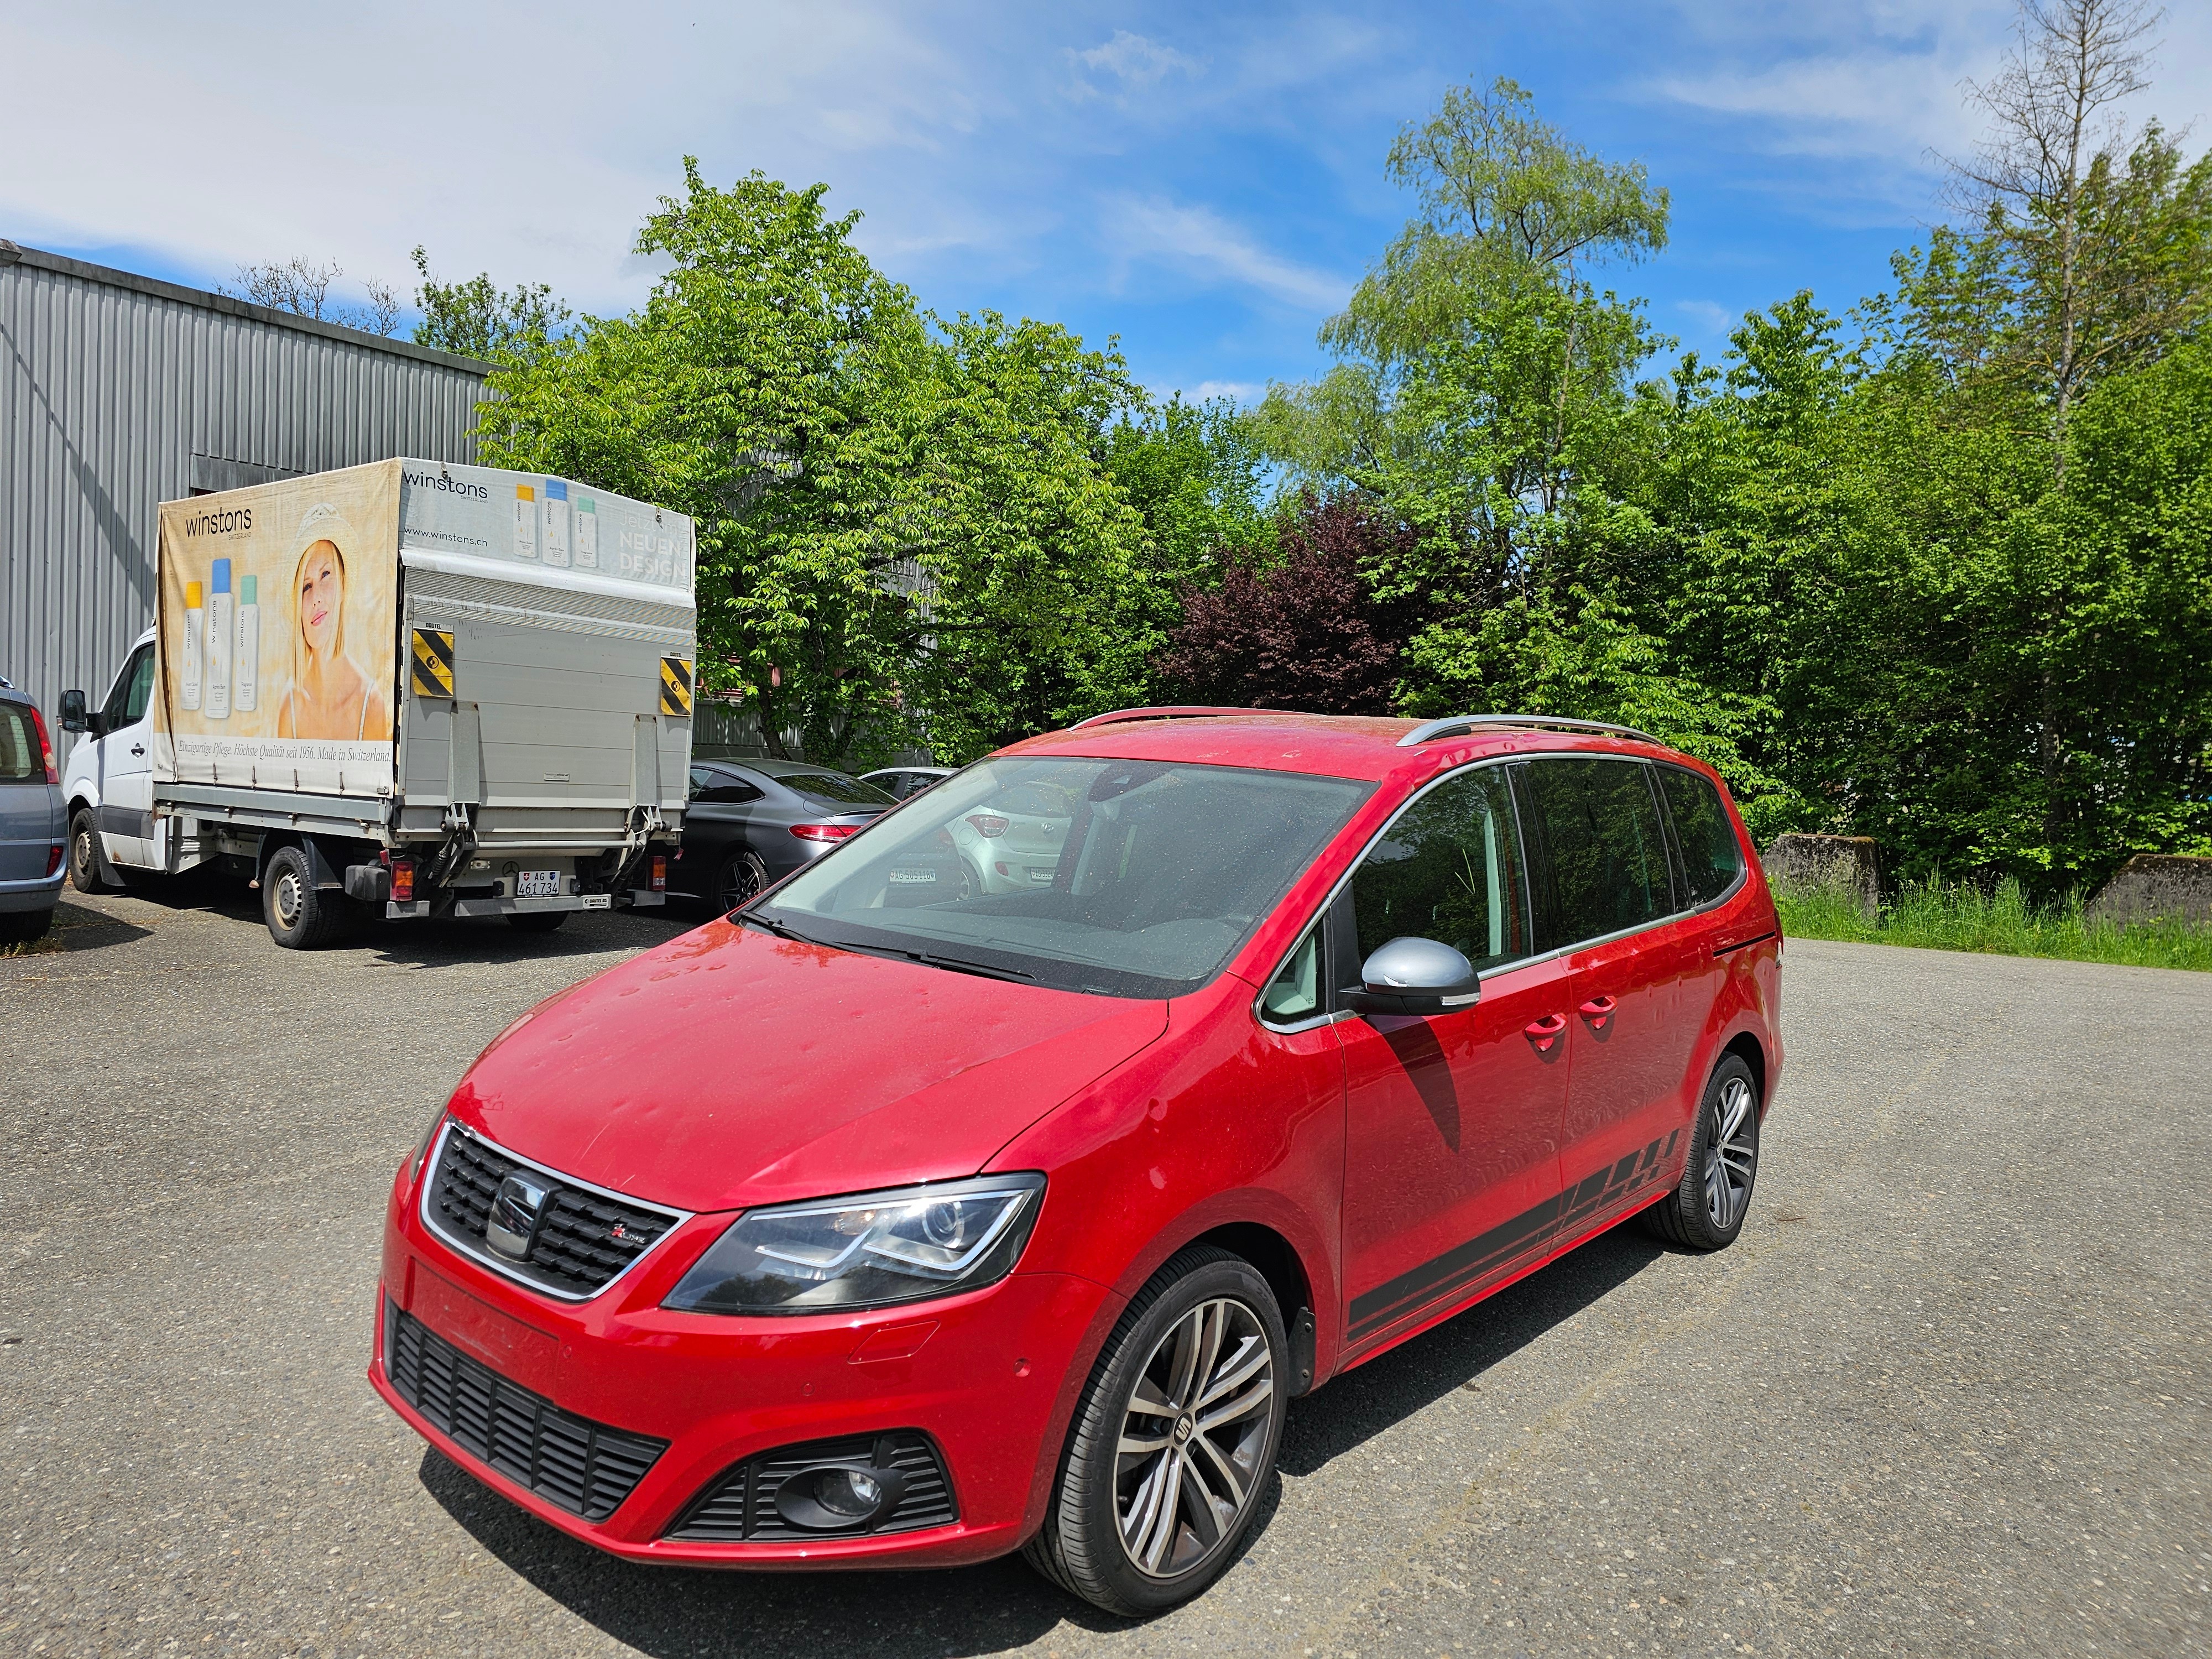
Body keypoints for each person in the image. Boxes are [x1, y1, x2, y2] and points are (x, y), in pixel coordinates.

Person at [276, 506, 388, 742]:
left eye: (325, 575)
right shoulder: (290, 705)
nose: (316, 597)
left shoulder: (371, 705)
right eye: (306, 586)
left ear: (344, 584)